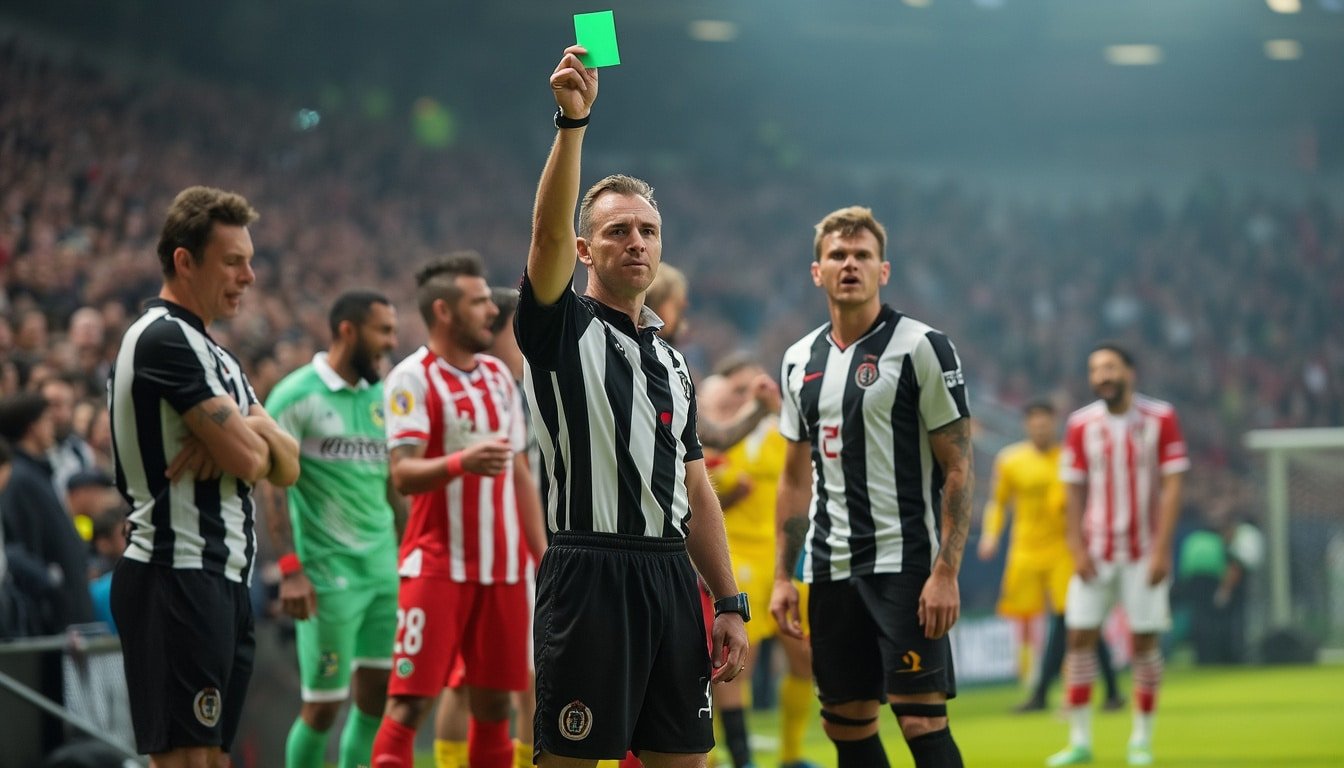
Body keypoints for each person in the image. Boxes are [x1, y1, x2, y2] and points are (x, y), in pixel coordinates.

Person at [516, 47, 749, 768]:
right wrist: (572, 123)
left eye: (647, 230)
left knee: (686, 760)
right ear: (587, 250)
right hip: (587, 573)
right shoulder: (562, 328)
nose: (636, 242)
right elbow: (547, 234)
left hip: (669, 576)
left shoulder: (673, 361)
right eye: (618, 230)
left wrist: (729, 600)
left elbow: (695, 483)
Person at [771, 205, 973, 768]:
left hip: (906, 565)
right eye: (838, 255)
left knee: (920, 719)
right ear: (818, 272)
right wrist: (784, 576)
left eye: (863, 255)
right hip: (830, 569)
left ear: (884, 271)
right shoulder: (797, 360)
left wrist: (946, 571)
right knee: (846, 726)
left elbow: (958, 466)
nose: (850, 264)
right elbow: (793, 479)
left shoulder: (922, 347)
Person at [108, 186, 301, 767]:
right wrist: (249, 437)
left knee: (213, 758)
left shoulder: (218, 355)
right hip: (176, 570)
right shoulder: (164, 339)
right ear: (184, 260)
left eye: (250, 259)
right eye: (233, 261)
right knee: (187, 760)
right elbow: (250, 462)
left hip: (221, 578)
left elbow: (286, 464)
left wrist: (243, 430)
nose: (248, 276)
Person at [370, 253, 546, 768]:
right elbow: (401, 475)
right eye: (479, 302)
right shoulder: (412, 379)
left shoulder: (496, 376)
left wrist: (543, 558)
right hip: (438, 565)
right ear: (444, 311)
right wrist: (460, 462)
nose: (492, 310)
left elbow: (518, 476)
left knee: (494, 706)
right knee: (408, 705)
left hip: (505, 571)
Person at [264, 290, 403, 768]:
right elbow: (273, 488)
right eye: (383, 330)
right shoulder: (295, 394)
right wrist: (289, 569)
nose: (392, 341)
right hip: (327, 578)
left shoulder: (383, 396)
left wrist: (408, 556)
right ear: (348, 330)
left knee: (375, 703)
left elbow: (392, 488)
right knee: (322, 708)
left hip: (384, 571)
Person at [1046, 343, 1188, 767]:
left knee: (1145, 644)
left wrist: (1163, 549)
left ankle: (1141, 740)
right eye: (1095, 369)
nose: (1102, 375)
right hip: (1096, 550)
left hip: (1144, 552)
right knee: (1078, 639)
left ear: (1130, 371)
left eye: (1109, 367)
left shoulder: (1161, 418)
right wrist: (1075, 546)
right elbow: (1072, 488)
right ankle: (1080, 741)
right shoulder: (1080, 424)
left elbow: (1174, 485)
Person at [432, 286, 543, 768]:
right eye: (515, 331)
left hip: (512, 546)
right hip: (497, 548)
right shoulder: (496, 393)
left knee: (497, 678)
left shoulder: (516, 388)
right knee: (511, 677)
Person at [700, 356, 820, 768]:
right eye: (740, 388)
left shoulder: (780, 435)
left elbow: (808, 473)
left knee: (804, 658)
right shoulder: (714, 439)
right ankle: (725, 757)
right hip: (738, 559)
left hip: (784, 560)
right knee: (736, 666)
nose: (751, 395)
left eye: (758, 387)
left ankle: (790, 755)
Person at [977, 401, 1122, 713]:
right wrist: (991, 535)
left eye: (1046, 424)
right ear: (1027, 426)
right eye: (1035, 424)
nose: (1041, 429)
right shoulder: (1010, 460)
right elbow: (997, 503)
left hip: (1064, 551)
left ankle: (1046, 692)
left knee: (1073, 617)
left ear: (1054, 425)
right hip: (1026, 550)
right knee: (1042, 618)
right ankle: (1047, 686)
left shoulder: (1070, 458)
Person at [0, 392, 94, 634]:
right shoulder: (19, 478)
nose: (51, 426)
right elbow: (14, 545)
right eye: (46, 420)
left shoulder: (37, 473)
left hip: (67, 610)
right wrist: (51, 579)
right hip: (49, 617)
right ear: (32, 428)